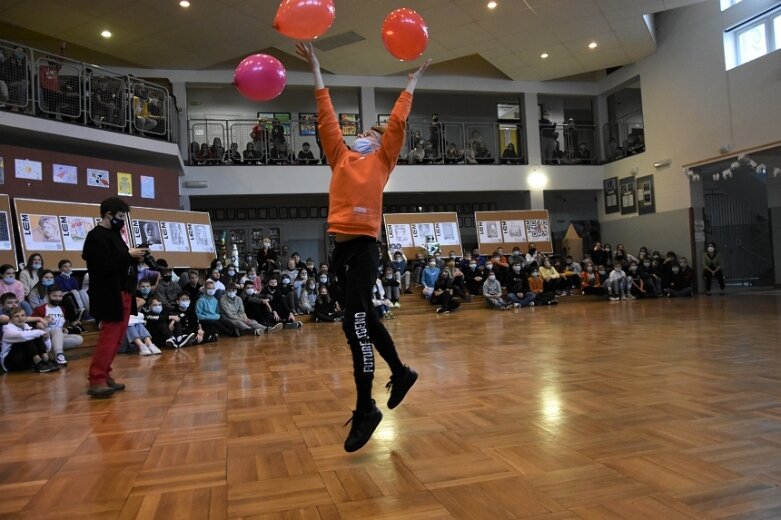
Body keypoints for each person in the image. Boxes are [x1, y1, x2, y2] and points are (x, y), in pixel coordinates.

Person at [298, 41, 426, 453]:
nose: (364, 137)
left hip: (367, 248)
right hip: (340, 253)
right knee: (362, 318)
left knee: (355, 326)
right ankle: (401, 372)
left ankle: (366, 406)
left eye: (372, 134)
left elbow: (397, 126)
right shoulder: (339, 156)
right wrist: (317, 66)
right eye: (362, 133)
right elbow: (325, 115)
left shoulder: (381, 160)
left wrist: (409, 87)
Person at [82, 197, 147, 397]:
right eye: (119, 216)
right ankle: (97, 379)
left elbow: (121, 262)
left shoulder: (115, 235)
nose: (122, 220)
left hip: (123, 290)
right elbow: (103, 267)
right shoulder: (96, 237)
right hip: (109, 293)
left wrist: (136, 257)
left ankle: (106, 374)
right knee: (109, 338)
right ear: (108, 215)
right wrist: (129, 255)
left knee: (118, 338)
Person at [31, 285, 83, 366]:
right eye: (54, 296)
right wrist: (43, 322)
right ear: (48, 296)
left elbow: (60, 325)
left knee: (79, 339)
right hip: (45, 337)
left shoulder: (62, 309)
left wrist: (64, 329)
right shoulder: (40, 309)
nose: (58, 298)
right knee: (56, 330)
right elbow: (32, 326)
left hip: (57, 337)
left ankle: (54, 349)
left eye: (60, 296)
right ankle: (59, 354)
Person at [1, 307, 58, 373]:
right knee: (28, 336)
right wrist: (41, 332)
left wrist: (47, 338)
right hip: (10, 364)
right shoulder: (7, 329)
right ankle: (38, 361)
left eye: (22, 315)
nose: (20, 318)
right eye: (16, 316)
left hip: (26, 361)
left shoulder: (28, 327)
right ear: (10, 320)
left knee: (33, 333)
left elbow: (48, 349)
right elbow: (22, 336)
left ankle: (46, 359)